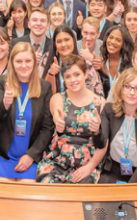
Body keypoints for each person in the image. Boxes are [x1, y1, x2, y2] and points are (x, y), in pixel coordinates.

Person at [37, 55, 107, 183]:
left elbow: (104, 143)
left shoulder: (101, 103)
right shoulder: (58, 98)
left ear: (86, 74)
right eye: (68, 76)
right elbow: (58, 116)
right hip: (59, 159)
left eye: (77, 74)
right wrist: (59, 123)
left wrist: (90, 167)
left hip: (87, 162)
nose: (73, 80)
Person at [0, 43, 55, 182]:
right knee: (2, 192)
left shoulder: (44, 88)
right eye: (19, 61)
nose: (24, 65)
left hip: (29, 157)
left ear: (34, 62)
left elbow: (47, 128)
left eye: (28, 61)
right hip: (3, 156)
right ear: (12, 63)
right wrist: (5, 104)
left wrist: (31, 155)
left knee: (27, 193)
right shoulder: (1, 83)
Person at [98, 68, 137, 183]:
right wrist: (95, 131)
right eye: (127, 87)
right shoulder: (109, 111)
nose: (132, 92)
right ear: (120, 89)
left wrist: (128, 188)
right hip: (113, 171)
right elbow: (100, 143)